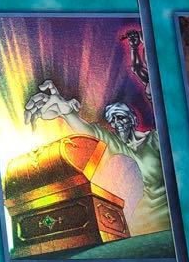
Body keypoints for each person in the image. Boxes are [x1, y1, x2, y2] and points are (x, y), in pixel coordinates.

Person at [23, 80, 170, 236]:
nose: (117, 123)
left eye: (121, 117)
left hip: (167, 228)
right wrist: (67, 114)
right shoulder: (114, 143)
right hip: (136, 232)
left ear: (133, 119)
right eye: (113, 120)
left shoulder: (156, 139)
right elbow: (94, 133)